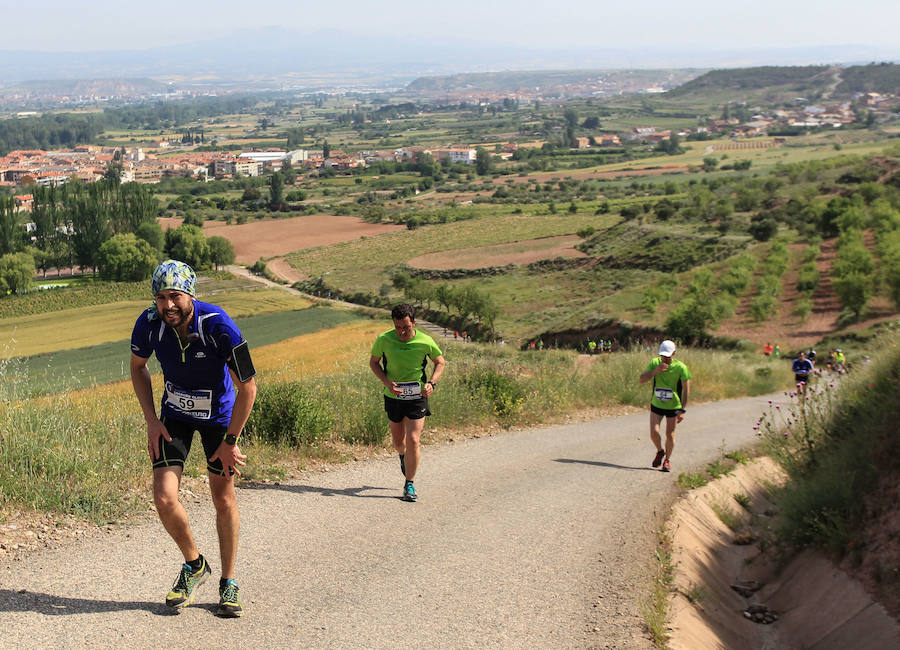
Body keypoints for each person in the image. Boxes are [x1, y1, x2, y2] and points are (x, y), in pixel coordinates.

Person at [130, 260, 258, 617]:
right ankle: (194, 564)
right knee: (164, 496)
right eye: (160, 297)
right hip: (175, 415)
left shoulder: (218, 325)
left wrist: (231, 441)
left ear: (190, 294)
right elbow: (137, 367)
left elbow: (248, 386)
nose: (167, 305)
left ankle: (228, 582)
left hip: (219, 418)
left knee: (223, 497)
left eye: (174, 296)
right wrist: (151, 421)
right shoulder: (149, 324)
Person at [369, 304, 446, 502]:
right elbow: (373, 362)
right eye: (398, 327)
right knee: (398, 443)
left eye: (406, 327)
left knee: (413, 439)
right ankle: (403, 456)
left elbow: (440, 362)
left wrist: (432, 383)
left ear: (414, 323)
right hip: (393, 396)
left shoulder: (425, 341)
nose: (402, 332)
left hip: (417, 397)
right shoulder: (384, 340)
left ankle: (409, 484)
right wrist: (387, 382)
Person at [639, 340, 691, 473]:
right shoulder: (655, 363)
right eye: (663, 355)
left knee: (670, 434)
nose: (665, 358)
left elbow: (686, 390)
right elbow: (642, 379)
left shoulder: (681, 368)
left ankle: (667, 460)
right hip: (657, 403)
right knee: (653, 432)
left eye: (668, 356)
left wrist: (682, 410)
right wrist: (655, 371)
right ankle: (660, 451)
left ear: (674, 353)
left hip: (673, 406)